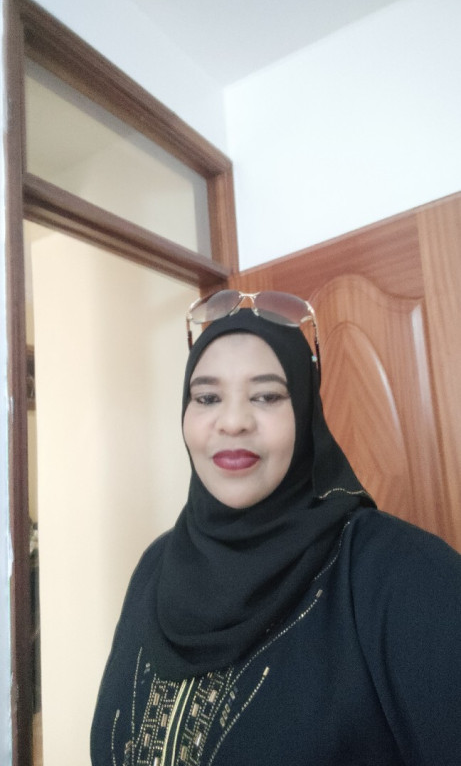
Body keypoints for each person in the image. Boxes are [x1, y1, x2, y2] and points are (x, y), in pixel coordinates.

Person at [91, 291, 461, 766]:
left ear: (305, 412)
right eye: (207, 397)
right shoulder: (155, 567)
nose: (233, 422)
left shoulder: (402, 576)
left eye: (266, 396)